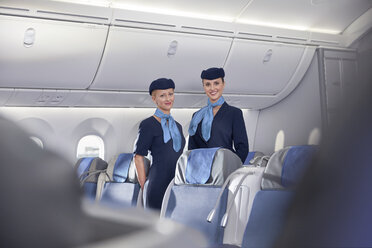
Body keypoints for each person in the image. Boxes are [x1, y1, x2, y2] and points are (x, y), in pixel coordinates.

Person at [134, 78, 185, 210]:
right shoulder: (147, 125)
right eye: (162, 95)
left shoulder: (178, 126)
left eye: (171, 94)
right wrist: (144, 184)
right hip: (157, 182)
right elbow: (139, 156)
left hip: (177, 182)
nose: (168, 99)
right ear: (154, 99)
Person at [188, 67, 249, 163]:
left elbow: (243, 148)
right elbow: (192, 149)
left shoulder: (234, 113)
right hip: (201, 171)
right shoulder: (196, 116)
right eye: (208, 84)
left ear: (223, 84)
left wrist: (231, 168)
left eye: (216, 83)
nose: (212, 88)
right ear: (204, 87)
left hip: (224, 168)